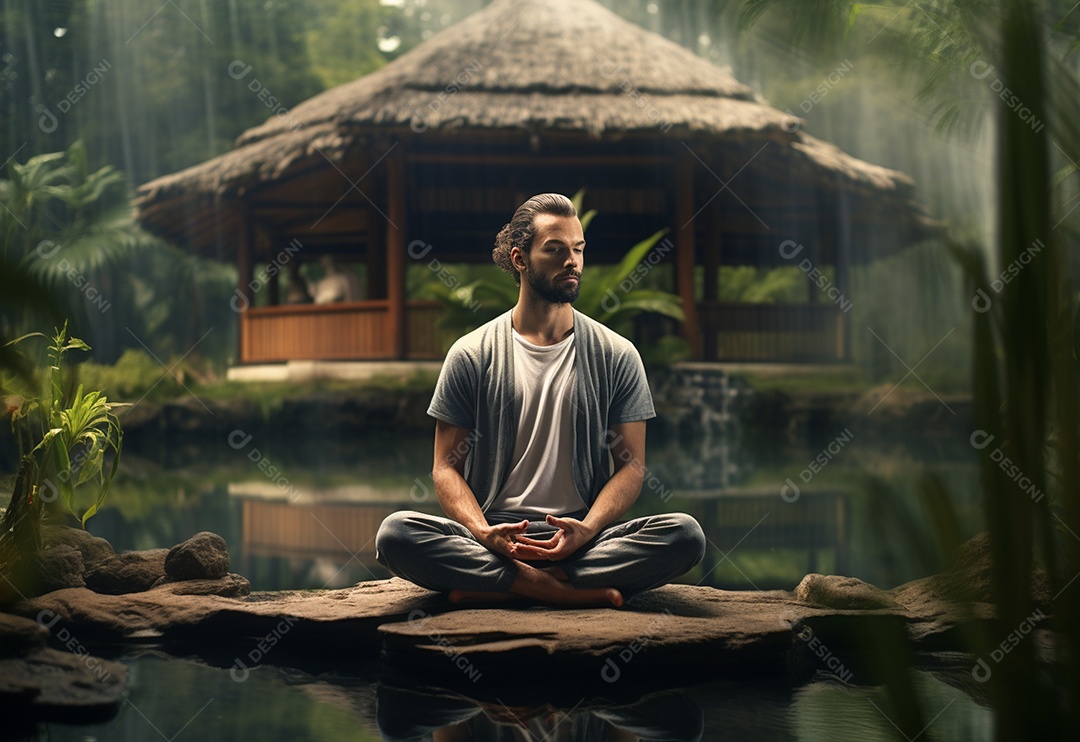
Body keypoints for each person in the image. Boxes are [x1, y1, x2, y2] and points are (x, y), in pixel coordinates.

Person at [375, 193, 705, 607]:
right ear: (520, 259)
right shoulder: (472, 354)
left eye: (579, 249)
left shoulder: (617, 354)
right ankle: (558, 590)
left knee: (685, 535)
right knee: (396, 534)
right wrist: (481, 532)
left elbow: (632, 467)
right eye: (555, 249)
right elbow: (445, 467)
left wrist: (586, 530)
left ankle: (504, 585)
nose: (573, 261)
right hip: (494, 537)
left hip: (579, 537)